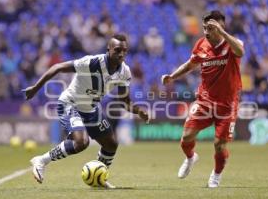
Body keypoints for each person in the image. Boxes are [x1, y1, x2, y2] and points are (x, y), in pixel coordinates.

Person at [23, 34, 149, 188]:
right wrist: (36, 88)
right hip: (70, 103)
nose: (121, 54)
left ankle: (98, 177)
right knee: (81, 142)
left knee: (111, 144)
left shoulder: (125, 72)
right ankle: (41, 160)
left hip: (91, 109)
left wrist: (138, 111)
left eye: (124, 50)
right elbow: (58, 67)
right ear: (108, 49)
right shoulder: (91, 62)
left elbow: (125, 101)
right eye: (117, 50)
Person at [162, 10, 244, 188]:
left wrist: (222, 33)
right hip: (204, 102)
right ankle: (191, 158)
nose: (206, 31)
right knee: (186, 137)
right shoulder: (201, 44)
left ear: (221, 27)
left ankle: (215, 175)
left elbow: (241, 51)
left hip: (228, 105)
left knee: (219, 145)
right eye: (205, 27)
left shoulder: (232, 44)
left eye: (210, 28)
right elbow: (190, 64)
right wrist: (172, 77)